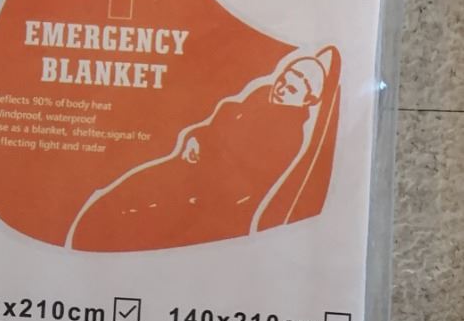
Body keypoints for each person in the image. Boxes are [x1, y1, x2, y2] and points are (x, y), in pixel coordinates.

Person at [68, 46, 338, 251]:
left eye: (292, 89)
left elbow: (245, 189)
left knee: (139, 225)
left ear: (308, 100)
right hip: (186, 171)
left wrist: (198, 192)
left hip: (206, 201)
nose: (282, 88)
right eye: (284, 79)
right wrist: (195, 139)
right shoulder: (259, 96)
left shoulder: (288, 137)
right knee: (118, 200)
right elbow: (215, 124)